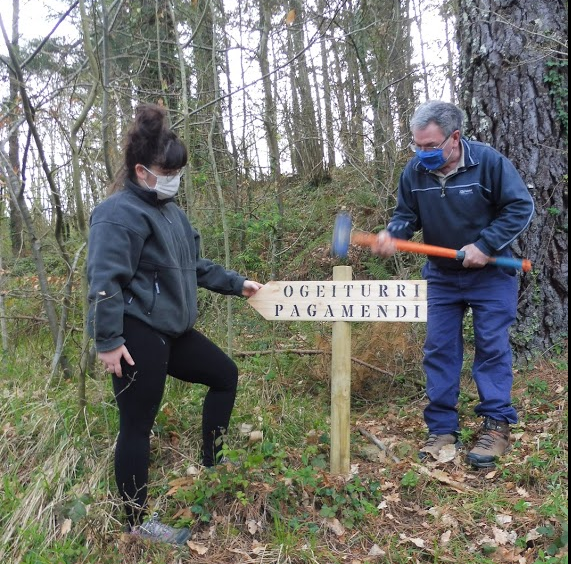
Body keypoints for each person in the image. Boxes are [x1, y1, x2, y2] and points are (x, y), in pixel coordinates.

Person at [87, 103, 263, 543]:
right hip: (136, 334)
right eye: (168, 171)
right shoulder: (118, 213)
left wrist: (237, 283)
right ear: (142, 170)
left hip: (174, 330)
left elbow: (194, 266)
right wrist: (108, 340)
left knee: (224, 374)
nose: (174, 179)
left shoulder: (172, 213)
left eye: (178, 171)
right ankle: (137, 524)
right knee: (136, 424)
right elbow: (104, 280)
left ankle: (213, 466)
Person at [371, 100, 534, 469]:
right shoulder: (414, 171)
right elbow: (405, 216)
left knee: (492, 347)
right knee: (439, 350)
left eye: (431, 146)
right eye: (417, 145)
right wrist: (392, 234)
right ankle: (441, 430)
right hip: (442, 277)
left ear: (455, 137)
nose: (422, 153)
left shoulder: (488, 162)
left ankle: (496, 426)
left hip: (491, 275)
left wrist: (485, 244)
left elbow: (519, 207)